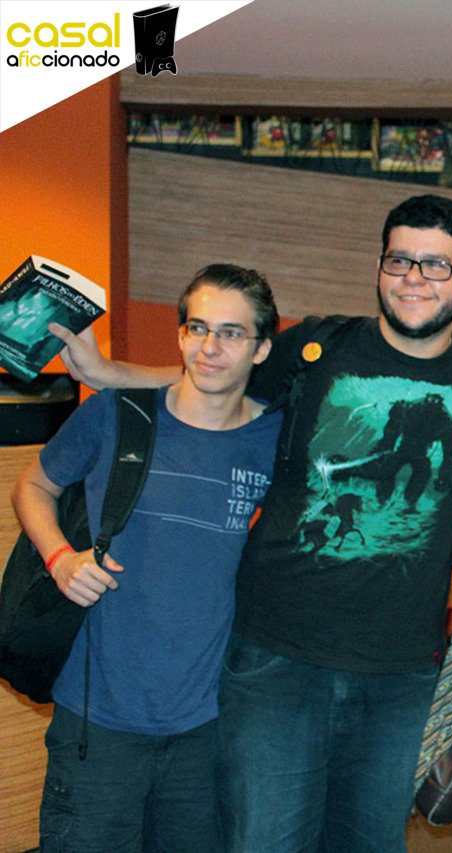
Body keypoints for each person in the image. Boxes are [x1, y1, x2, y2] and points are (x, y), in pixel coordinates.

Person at [50, 193, 452, 850]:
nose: (414, 278)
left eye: (436, 265)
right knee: (266, 841)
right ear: (379, 267)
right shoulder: (318, 346)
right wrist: (108, 372)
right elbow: (212, 379)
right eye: (400, 260)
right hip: (276, 661)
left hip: (399, 674)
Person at [10, 264, 282, 851]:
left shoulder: (274, 440)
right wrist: (60, 558)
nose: (209, 347)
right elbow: (32, 485)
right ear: (180, 335)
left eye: (231, 333)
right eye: (197, 328)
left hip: (206, 727)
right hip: (97, 720)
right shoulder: (116, 414)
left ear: (262, 349)